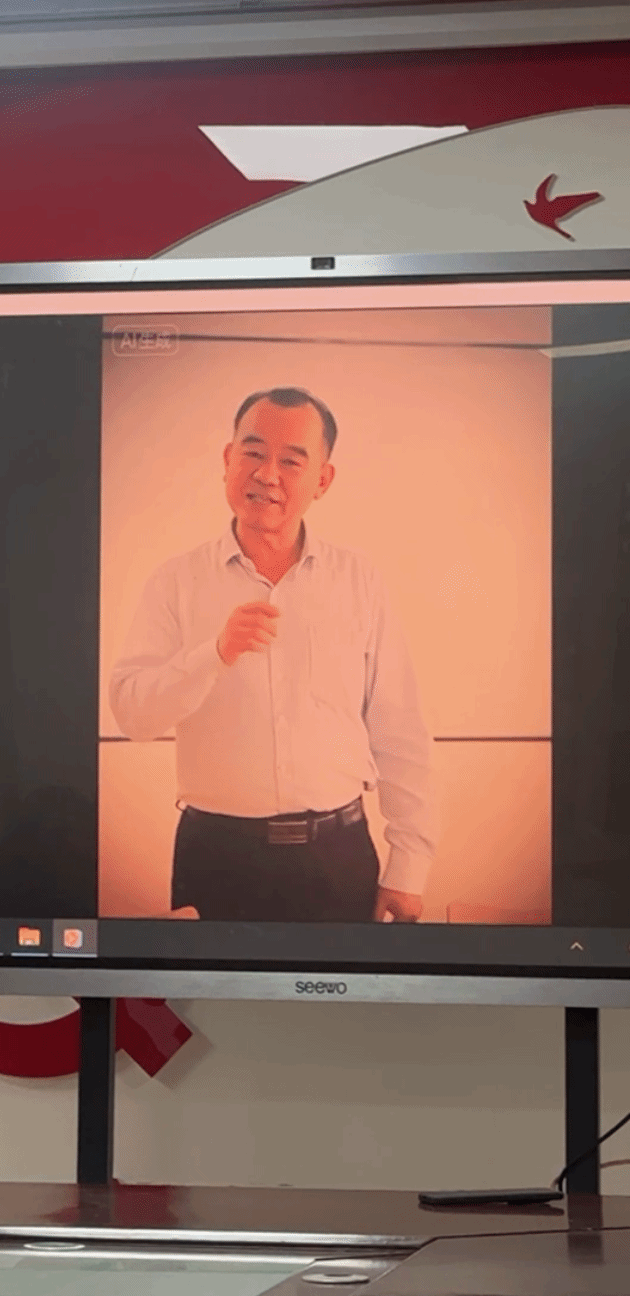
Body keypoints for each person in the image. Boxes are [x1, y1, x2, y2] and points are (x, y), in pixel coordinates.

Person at [108, 388, 436, 924]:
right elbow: (132, 715)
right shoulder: (176, 581)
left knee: (339, 984)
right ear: (227, 460)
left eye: (291, 461)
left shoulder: (359, 581)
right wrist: (213, 654)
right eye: (254, 453)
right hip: (216, 857)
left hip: (337, 855)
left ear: (323, 480)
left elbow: (398, 729)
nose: (267, 474)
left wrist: (410, 865)